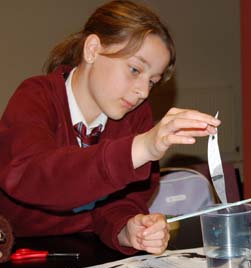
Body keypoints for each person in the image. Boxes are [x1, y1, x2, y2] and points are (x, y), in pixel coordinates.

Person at [0, 0, 220, 255]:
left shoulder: (135, 116)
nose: (142, 91)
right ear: (92, 49)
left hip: (86, 252)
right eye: (135, 69)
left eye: (152, 81)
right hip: (19, 250)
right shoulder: (35, 96)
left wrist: (127, 228)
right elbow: (35, 175)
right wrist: (140, 147)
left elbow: (118, 203)